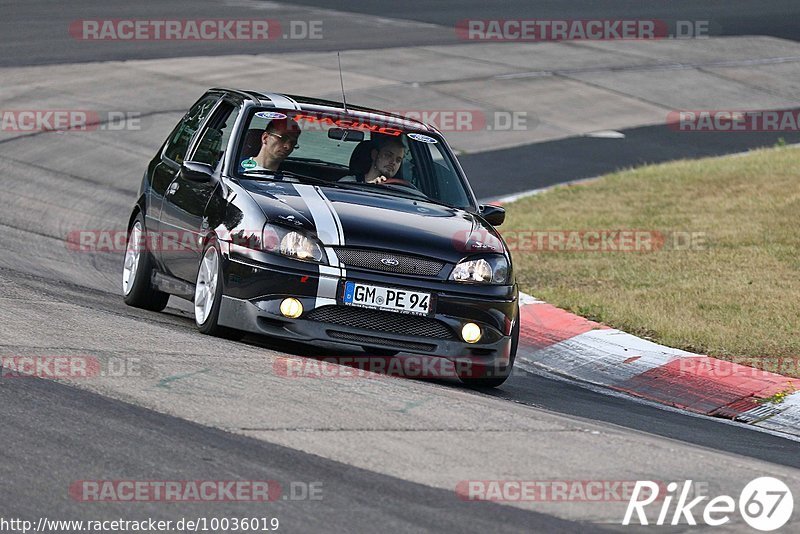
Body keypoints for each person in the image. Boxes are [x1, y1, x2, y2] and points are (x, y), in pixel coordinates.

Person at [341, 137, 405, 183]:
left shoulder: (400, 192)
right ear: (374, 155)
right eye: (388, 155)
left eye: (398, 160)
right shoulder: (348, 183)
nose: (393, 162)